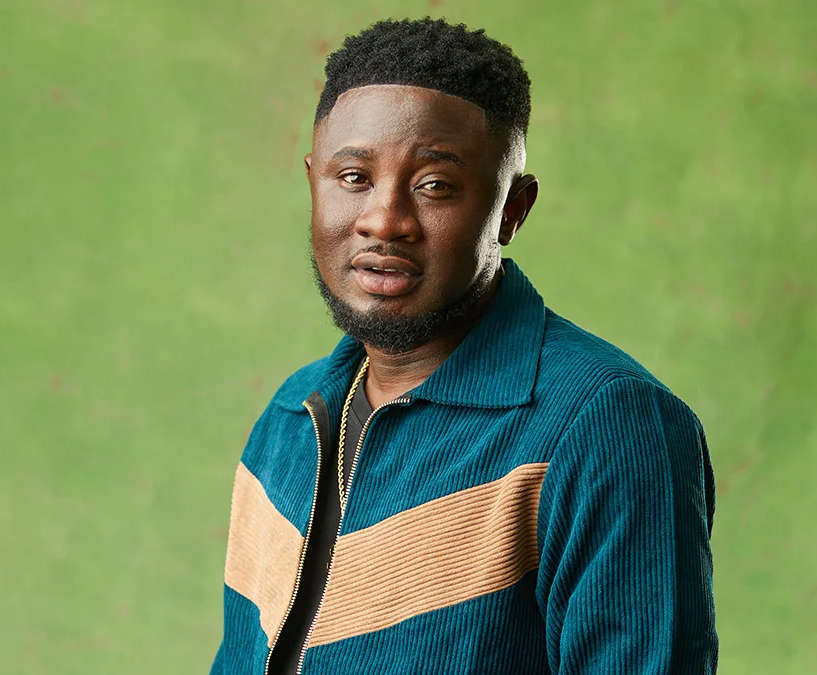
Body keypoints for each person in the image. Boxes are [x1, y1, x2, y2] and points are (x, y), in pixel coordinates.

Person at [209, 17, 718, 675]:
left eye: (435, 186)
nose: (384, 220)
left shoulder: (608, 426)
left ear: (512, 210)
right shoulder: (291, 417)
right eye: (354, 177)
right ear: (314, 182)